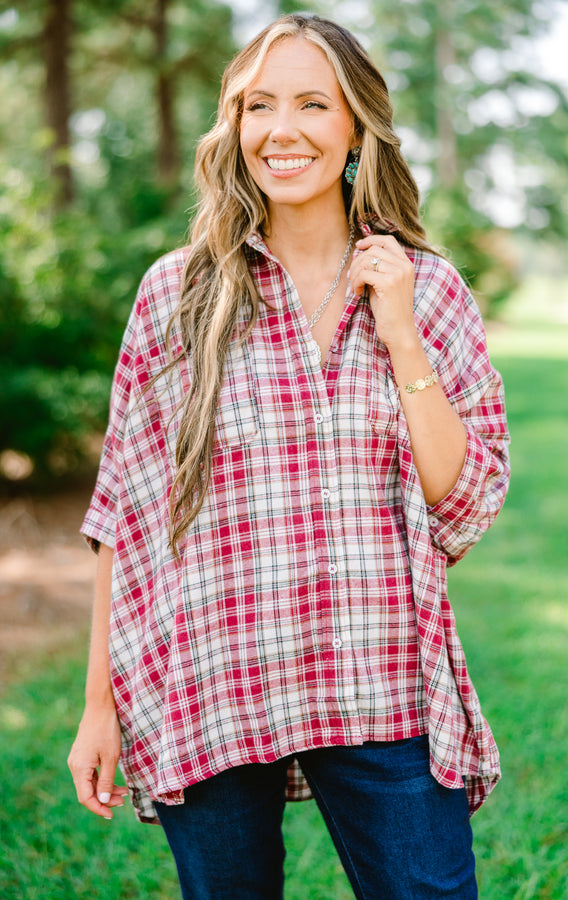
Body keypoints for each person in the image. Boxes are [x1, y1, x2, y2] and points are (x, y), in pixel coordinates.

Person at [68, 13, 510, 899]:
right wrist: (98, 706)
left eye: (313, 104)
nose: (282, 129)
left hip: (380, 676)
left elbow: (462, 501)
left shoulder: (426, 289)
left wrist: (401, 334)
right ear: (235, 126)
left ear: (356, 127)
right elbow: (126, 512)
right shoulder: (176, 294)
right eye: (259, 105)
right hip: (211, 673)